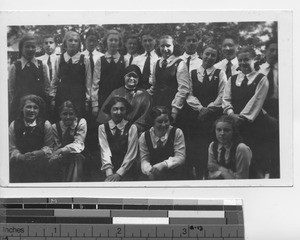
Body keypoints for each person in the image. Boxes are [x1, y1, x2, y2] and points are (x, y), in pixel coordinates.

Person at [222, 46, 276, 178]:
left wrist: (241, 118)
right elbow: (226, 99)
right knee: (239, 161)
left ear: (254, 59)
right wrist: (231, 114)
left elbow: (256, 101)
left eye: (246, 60)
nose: (242, 63)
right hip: (235, 126)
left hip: (256, 126)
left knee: (257, 161)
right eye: (240, 60)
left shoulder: (261, 79)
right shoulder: (232, 79)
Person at [186, 44, 227, 179]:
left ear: (216, 58)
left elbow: (223, 95)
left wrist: (208, 109)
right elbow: (189, 94)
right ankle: (197, 176)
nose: (209, 57)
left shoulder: (220, 73)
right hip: (195, 118)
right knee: (195, 148)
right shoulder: (192, 73)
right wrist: (200, 108)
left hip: (212, 119)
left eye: (213, 55)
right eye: (207, 54)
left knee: (210, 147)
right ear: (202, 54)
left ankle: (210, 176)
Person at [9, 94, 53, 182]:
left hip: (39, 164)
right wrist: (20, 156)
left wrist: (40, 153)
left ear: (39, 110)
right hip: (20, 164)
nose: (32, 110)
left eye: (35, 107)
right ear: (22, 108)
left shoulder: (46, 124)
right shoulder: (14, 124)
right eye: (28, 107)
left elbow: (50, 147)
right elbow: (11, 147)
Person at [8, 34, 51, 123]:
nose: (30, 49)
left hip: (39, 108)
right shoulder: (15, 67)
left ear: (37, 48)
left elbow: (47, 87)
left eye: (33, 47)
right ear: (21, 48)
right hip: (20, 109)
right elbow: (11, 91)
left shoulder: (42, 65)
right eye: (27, 47)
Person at [97, 64, 151, 134]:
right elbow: (105, 114)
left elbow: (145, 117)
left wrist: (133, 129)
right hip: (115, 131)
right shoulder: (116, 93)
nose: (132, 79)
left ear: (139, 78)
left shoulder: (144, 95)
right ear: (124, 77)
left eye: (135, 76)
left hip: (135, 132)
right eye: (129, 76)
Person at [50, 30, 91, 121]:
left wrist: (87, 100)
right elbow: (54, 80)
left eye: (76, 41)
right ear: (65, 43)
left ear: (79, 44)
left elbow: (88, 82)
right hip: (62, 96)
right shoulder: (59, 59)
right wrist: (52, 98)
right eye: (70, 40)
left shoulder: (85, 59)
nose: (73, 43)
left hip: (78, 97)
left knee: (77, 121)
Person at [151, 35, 190, 124]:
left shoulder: (180, 63)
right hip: (157, 107)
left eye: (168, 46)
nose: (165, 49)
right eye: (162, 46)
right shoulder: (156, 63)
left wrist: (174, 112)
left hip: (172, 109)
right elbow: (154, 85)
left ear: (174, 46)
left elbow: (183, 90)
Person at [139, 106, 186, 180]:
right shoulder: (144, 136)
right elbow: (144, 159)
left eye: (166, 121)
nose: (164, 125)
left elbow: (180, 157)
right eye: (160, 122)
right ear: (152, 122)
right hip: (154, 176)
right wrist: (149, 170)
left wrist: (164, 164)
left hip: (175, 175)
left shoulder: (177, 132)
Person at [98, 97, 139, 182]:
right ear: (110, 110)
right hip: (108, 170)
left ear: (126, 110)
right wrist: (110, 174)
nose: (119, 112)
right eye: (115, 109)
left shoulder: (132, 127)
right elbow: (104, 150)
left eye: (122, 109)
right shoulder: (102, 128)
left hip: (127, 170)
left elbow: (131, 152)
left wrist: (119, 174)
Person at [50, 101, 87, 182]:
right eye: (64, 114)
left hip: (77, 156)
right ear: (60, 115)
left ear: (75, 114)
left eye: (71, 114)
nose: (68, 117)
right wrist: (58, 153)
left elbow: (79, 143)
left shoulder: (81, 122)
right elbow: (57, 145)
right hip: (61, 157)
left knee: (76, 157)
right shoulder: (55, 127)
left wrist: (62, 150)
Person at [91, 29, 126, 116]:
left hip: (119, 100)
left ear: (119, 43)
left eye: (116, 40)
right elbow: (95, 83)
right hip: (103, 99)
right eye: (111, 40)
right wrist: (95, 104)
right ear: (106, 42)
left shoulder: (124, 60)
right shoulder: (100, 60)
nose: (113, 42)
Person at [207, 115, 252, 179]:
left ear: (233, 132)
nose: (222, 133)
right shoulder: (213, 146)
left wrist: (220, 169)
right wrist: (228, 174)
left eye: (226, 130)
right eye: (219, 130)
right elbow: (211, 172)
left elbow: (241, 179)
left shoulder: (241, 148)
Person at [259, 39, 279, 119]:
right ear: (265, 51)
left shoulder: (285, 70)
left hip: (279, 108)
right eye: (271, 50)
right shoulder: (259, 70)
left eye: (277, 51)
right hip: (261, 109)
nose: (274, 53)